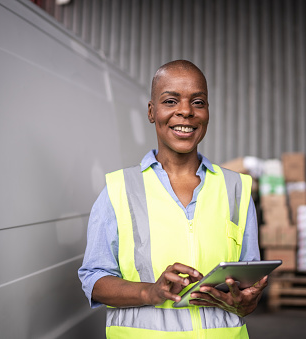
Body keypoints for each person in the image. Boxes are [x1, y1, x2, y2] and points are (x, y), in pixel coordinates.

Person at [78, 60, 268, 338]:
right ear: (152, 112)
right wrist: (148, 291)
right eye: (170, 101)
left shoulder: (237, 188)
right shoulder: (119, 188)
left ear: (207, 112)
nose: (185, 111)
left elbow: (248, 291)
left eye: (198, 102)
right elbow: (94, 280)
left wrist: (245, 302)